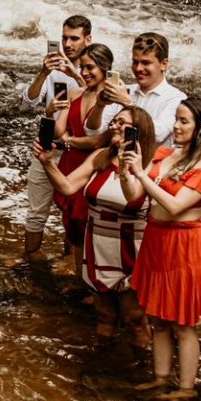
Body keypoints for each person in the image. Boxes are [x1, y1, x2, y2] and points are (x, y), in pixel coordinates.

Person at [126, 98, 201, 400]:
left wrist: (142, 174)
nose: (176, 126)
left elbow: (176, 206)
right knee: (158, 319)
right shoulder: (165, 154)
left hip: (185, 245)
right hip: (156, 241)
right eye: (176, 119)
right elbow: (134, 195)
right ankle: (161, 378)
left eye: (183, 121)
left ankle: (185, 389)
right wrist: (126, 170)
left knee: (183, 324)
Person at [36, 107, 156, 342]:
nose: (114, 126)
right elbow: (67, 186)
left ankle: (144, 361)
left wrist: (128, 168)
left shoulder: (151, 164)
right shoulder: (100, 156)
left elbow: (138, 200)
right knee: (104, 316)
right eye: (114, 122)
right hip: (98, 246)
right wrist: (48, 163)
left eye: (121, 123)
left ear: (138, 130)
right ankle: (102, 361)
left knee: (134, 319)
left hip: (132, 250)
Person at [21, 14, 94, 258]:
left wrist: (76, 75)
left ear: (88, 39)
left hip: (77, 151)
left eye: (74, 38)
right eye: (64, 38)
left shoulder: (94, 69)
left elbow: (97, 96)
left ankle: (69, 265)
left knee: (74, 214)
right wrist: (43, 73)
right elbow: (28, 101)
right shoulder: (52, 70)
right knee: (36, 213)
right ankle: (29, 261)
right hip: (48, 146)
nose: (67, 44)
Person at [48, 43, 118, 278]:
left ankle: (93, 279)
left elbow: (98, 142)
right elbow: (59, 131)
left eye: (91, 68)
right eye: (82, 67)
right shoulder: (74, 93)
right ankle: (79, 275)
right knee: (72, 223)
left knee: (88, 223)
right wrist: (54, 115)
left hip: (94, 166)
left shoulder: (112, 100)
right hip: (70, 162)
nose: (85, 72)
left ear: (105, 68)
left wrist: (69, 141)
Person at [101, 32, 186, 149]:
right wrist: (99, 106)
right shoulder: (125, 90)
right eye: (135, 62)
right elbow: (94, 132)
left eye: (146, 63)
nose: (138, 68)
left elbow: (157, 135)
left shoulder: (177, 98)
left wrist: (128, 103)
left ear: (163, 64)